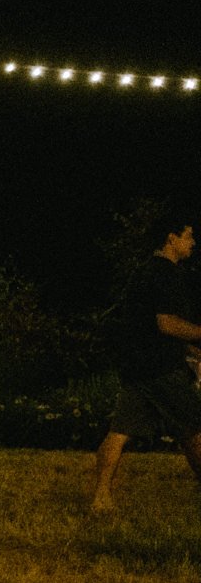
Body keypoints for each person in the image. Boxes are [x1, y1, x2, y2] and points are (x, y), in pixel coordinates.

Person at [90, 213, 201, 510]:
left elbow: (144, 327)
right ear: (171, 238)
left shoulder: (142, 272)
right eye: (188, 236)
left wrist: (191, 348)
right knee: (194, 427)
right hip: (162, 370)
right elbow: (166, 324)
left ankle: (100, 497)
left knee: (119, 432)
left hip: (137, 368)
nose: (193, 243)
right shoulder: (167, 274)